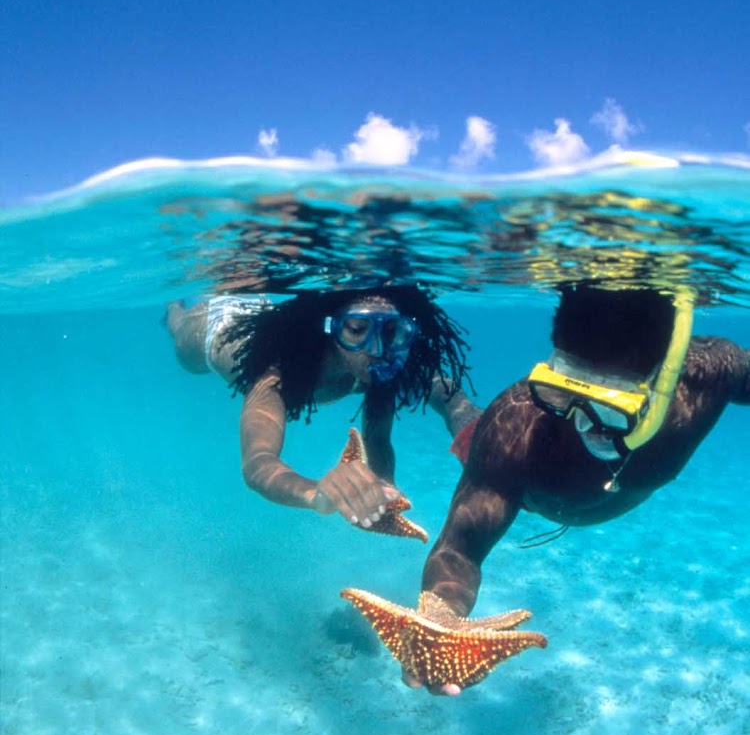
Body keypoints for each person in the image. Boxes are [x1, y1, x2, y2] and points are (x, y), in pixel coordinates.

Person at [398, 282, 750, 695]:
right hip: (519, 485)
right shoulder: (514, 427)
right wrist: (442, 616)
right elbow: (459, 548)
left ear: (662, 389)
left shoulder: (709, 377)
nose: (579, 425)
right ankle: (447, 394)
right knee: (468, 425)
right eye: (558, 396)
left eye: (608, 412)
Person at [167, 285, 480, 530]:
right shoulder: (278, 372)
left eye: (390, 332)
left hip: (262, 313)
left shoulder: (381, 367)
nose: (377, 350)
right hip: (215, 328)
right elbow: (258, 464)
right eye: (357, 330)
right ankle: (172, 308)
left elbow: (381, 438)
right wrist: (315, 493)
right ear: (330, 329)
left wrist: (383, 485)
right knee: (181, 339)